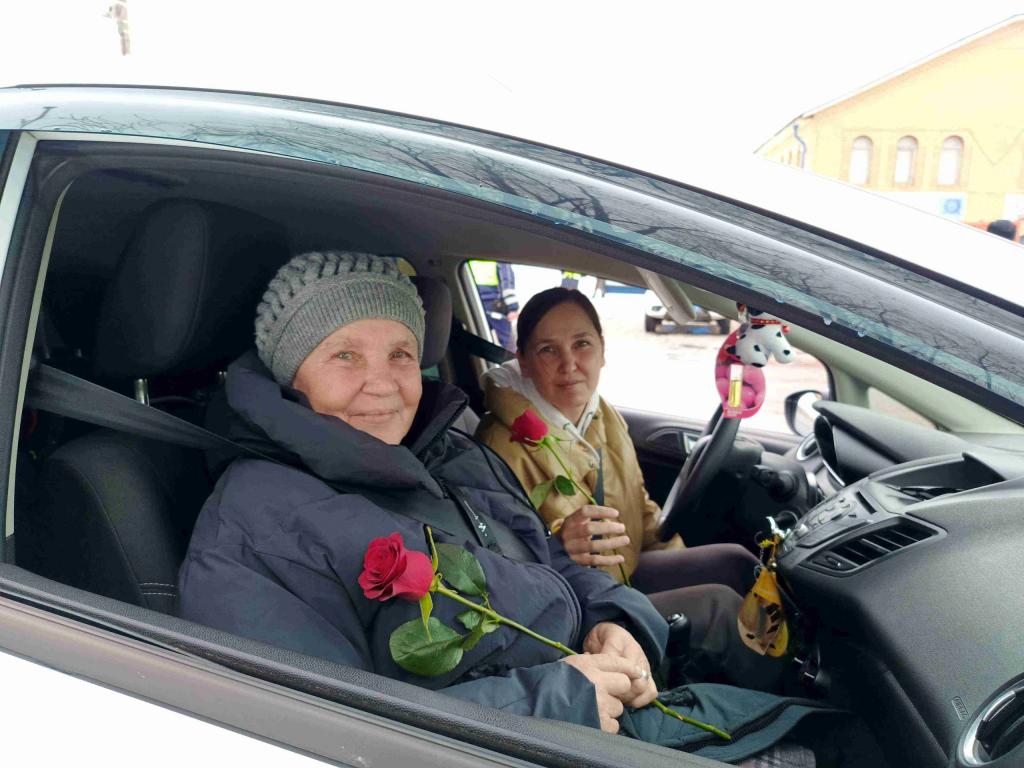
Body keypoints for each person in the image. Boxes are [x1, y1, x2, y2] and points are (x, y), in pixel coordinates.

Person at [176, 252, 830, 762]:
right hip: (530, 744)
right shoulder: (253, 529)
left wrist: (615, 619)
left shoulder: (450, 451)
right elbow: (322, 736)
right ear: (291, 375)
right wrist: (553, 702)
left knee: (835, 737)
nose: (382, 383)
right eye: (345, 356)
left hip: (593, 712)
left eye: (400, 353)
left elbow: (552, 563)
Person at [475, 287, 779, 686]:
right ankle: (787, 703)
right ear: (525, 363)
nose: (569, 364)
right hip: (582, 607)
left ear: (602, 350)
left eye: (582, 344)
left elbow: (639, 505)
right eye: (548, 350)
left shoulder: (602, 414)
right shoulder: (498, 446)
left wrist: (677, 560)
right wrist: (558, 542)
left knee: (736, 563)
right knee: (720, 607)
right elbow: (500, 568)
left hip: (625, 572)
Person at [468, 259, 518, 350]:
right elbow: (506, 278)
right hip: (495, 303)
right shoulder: (498, 253)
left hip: (473, 300)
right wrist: (512, 307)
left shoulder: (468, 253)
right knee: (508, 344)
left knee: (477, 338)